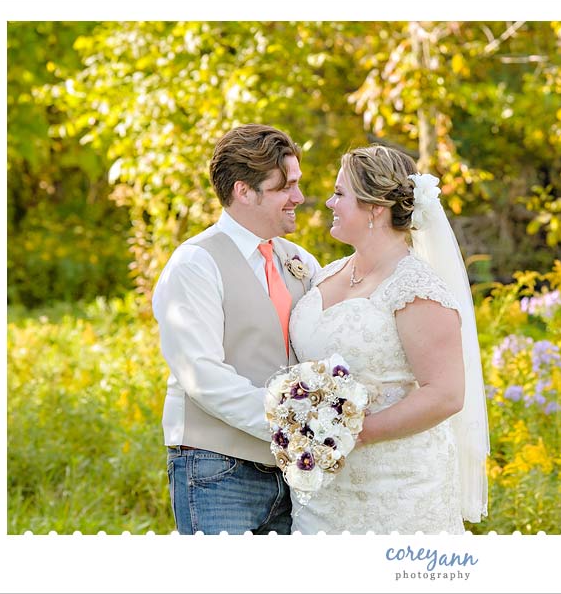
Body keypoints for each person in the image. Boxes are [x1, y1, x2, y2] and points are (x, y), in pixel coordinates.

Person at [288, 145, 489, 534]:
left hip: (398, 489)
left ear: (375, 209)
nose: (329, 202)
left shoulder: (416, 287)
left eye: (340, 193)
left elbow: (445, 394)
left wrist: (354, 434)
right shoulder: (326, 274)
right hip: (322, 492)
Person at [153, 124, 320, 535]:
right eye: (285, 187)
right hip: (217, 470)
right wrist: (289, 425)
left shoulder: (300, 260)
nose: (298, 197)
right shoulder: (195, 263)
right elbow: (203, 375)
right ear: (244, 191)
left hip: (295, 475)